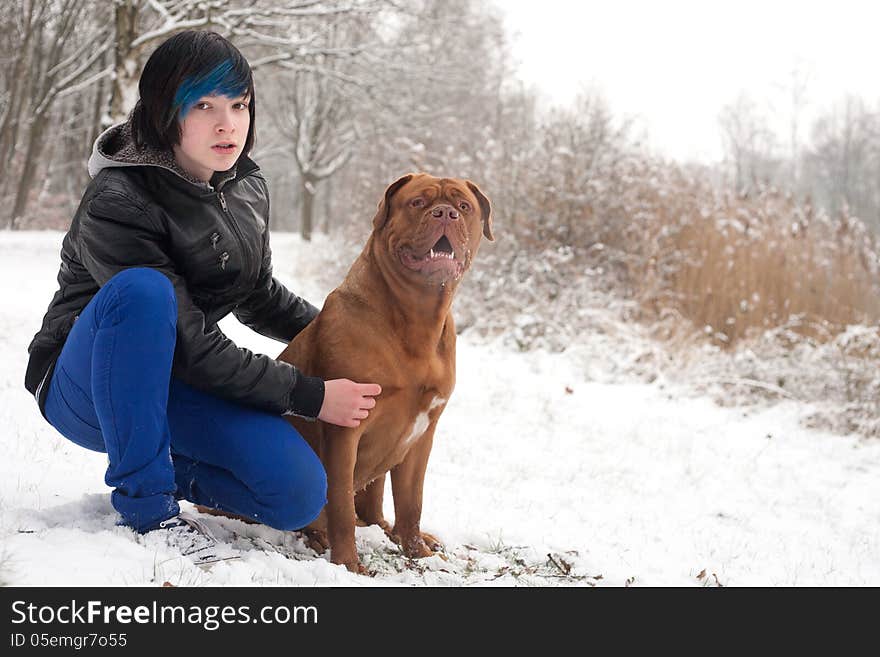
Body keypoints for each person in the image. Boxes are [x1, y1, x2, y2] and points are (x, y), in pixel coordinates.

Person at [23, 30, 381, 561]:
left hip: (171, 380)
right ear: (167, 112)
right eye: (205, 106)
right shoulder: (119, 198)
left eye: (239, 105)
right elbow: (192, 343)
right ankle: (146, 507)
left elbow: (257, 295)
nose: (228, 124)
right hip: (86, 385)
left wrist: (357, 337)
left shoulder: (243, 185)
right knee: (143, 292)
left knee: (298, 494)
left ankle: (162, 466)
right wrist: (311, 394)